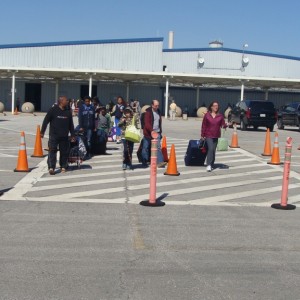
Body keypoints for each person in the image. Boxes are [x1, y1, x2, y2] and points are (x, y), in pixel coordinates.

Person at [40, 96, 75, 175]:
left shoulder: (68, 111)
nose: (67, 101)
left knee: (64, 152)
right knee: (52, 151)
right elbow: (46, 121)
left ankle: (63, 166)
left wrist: (73, 135)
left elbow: (71, 125)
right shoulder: (53, 110)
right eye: (66, 100)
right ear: (61, 101)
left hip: (64, 136)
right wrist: (42, 132)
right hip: (54, 136)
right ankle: (51, 167)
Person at [201, 100, 228, 172]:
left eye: (217, 106)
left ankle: (212, 163)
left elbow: (223, 125)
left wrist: (227, 125)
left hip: (216, 135)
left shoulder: (220, 116)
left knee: (213, 150)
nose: (216, 107)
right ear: (211, 107)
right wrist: (202, 135)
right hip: (208, 135)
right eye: (215, 106)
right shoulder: (207, 115)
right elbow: (204, 125)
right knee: (210, 148)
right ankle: (208, 165)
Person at [142, 99, 166, 168]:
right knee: (145, 147)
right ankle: (145, 161)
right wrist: (151, 130)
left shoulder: (158, 111)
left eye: (158, 105)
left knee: (158, 147)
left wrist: (159, 132)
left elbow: (159, 122)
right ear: (152, 105)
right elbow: (147, 123)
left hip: (157, 132)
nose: (157, 107)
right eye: (155, 106)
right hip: (148, 133)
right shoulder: (148, 112)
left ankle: (160, 162)